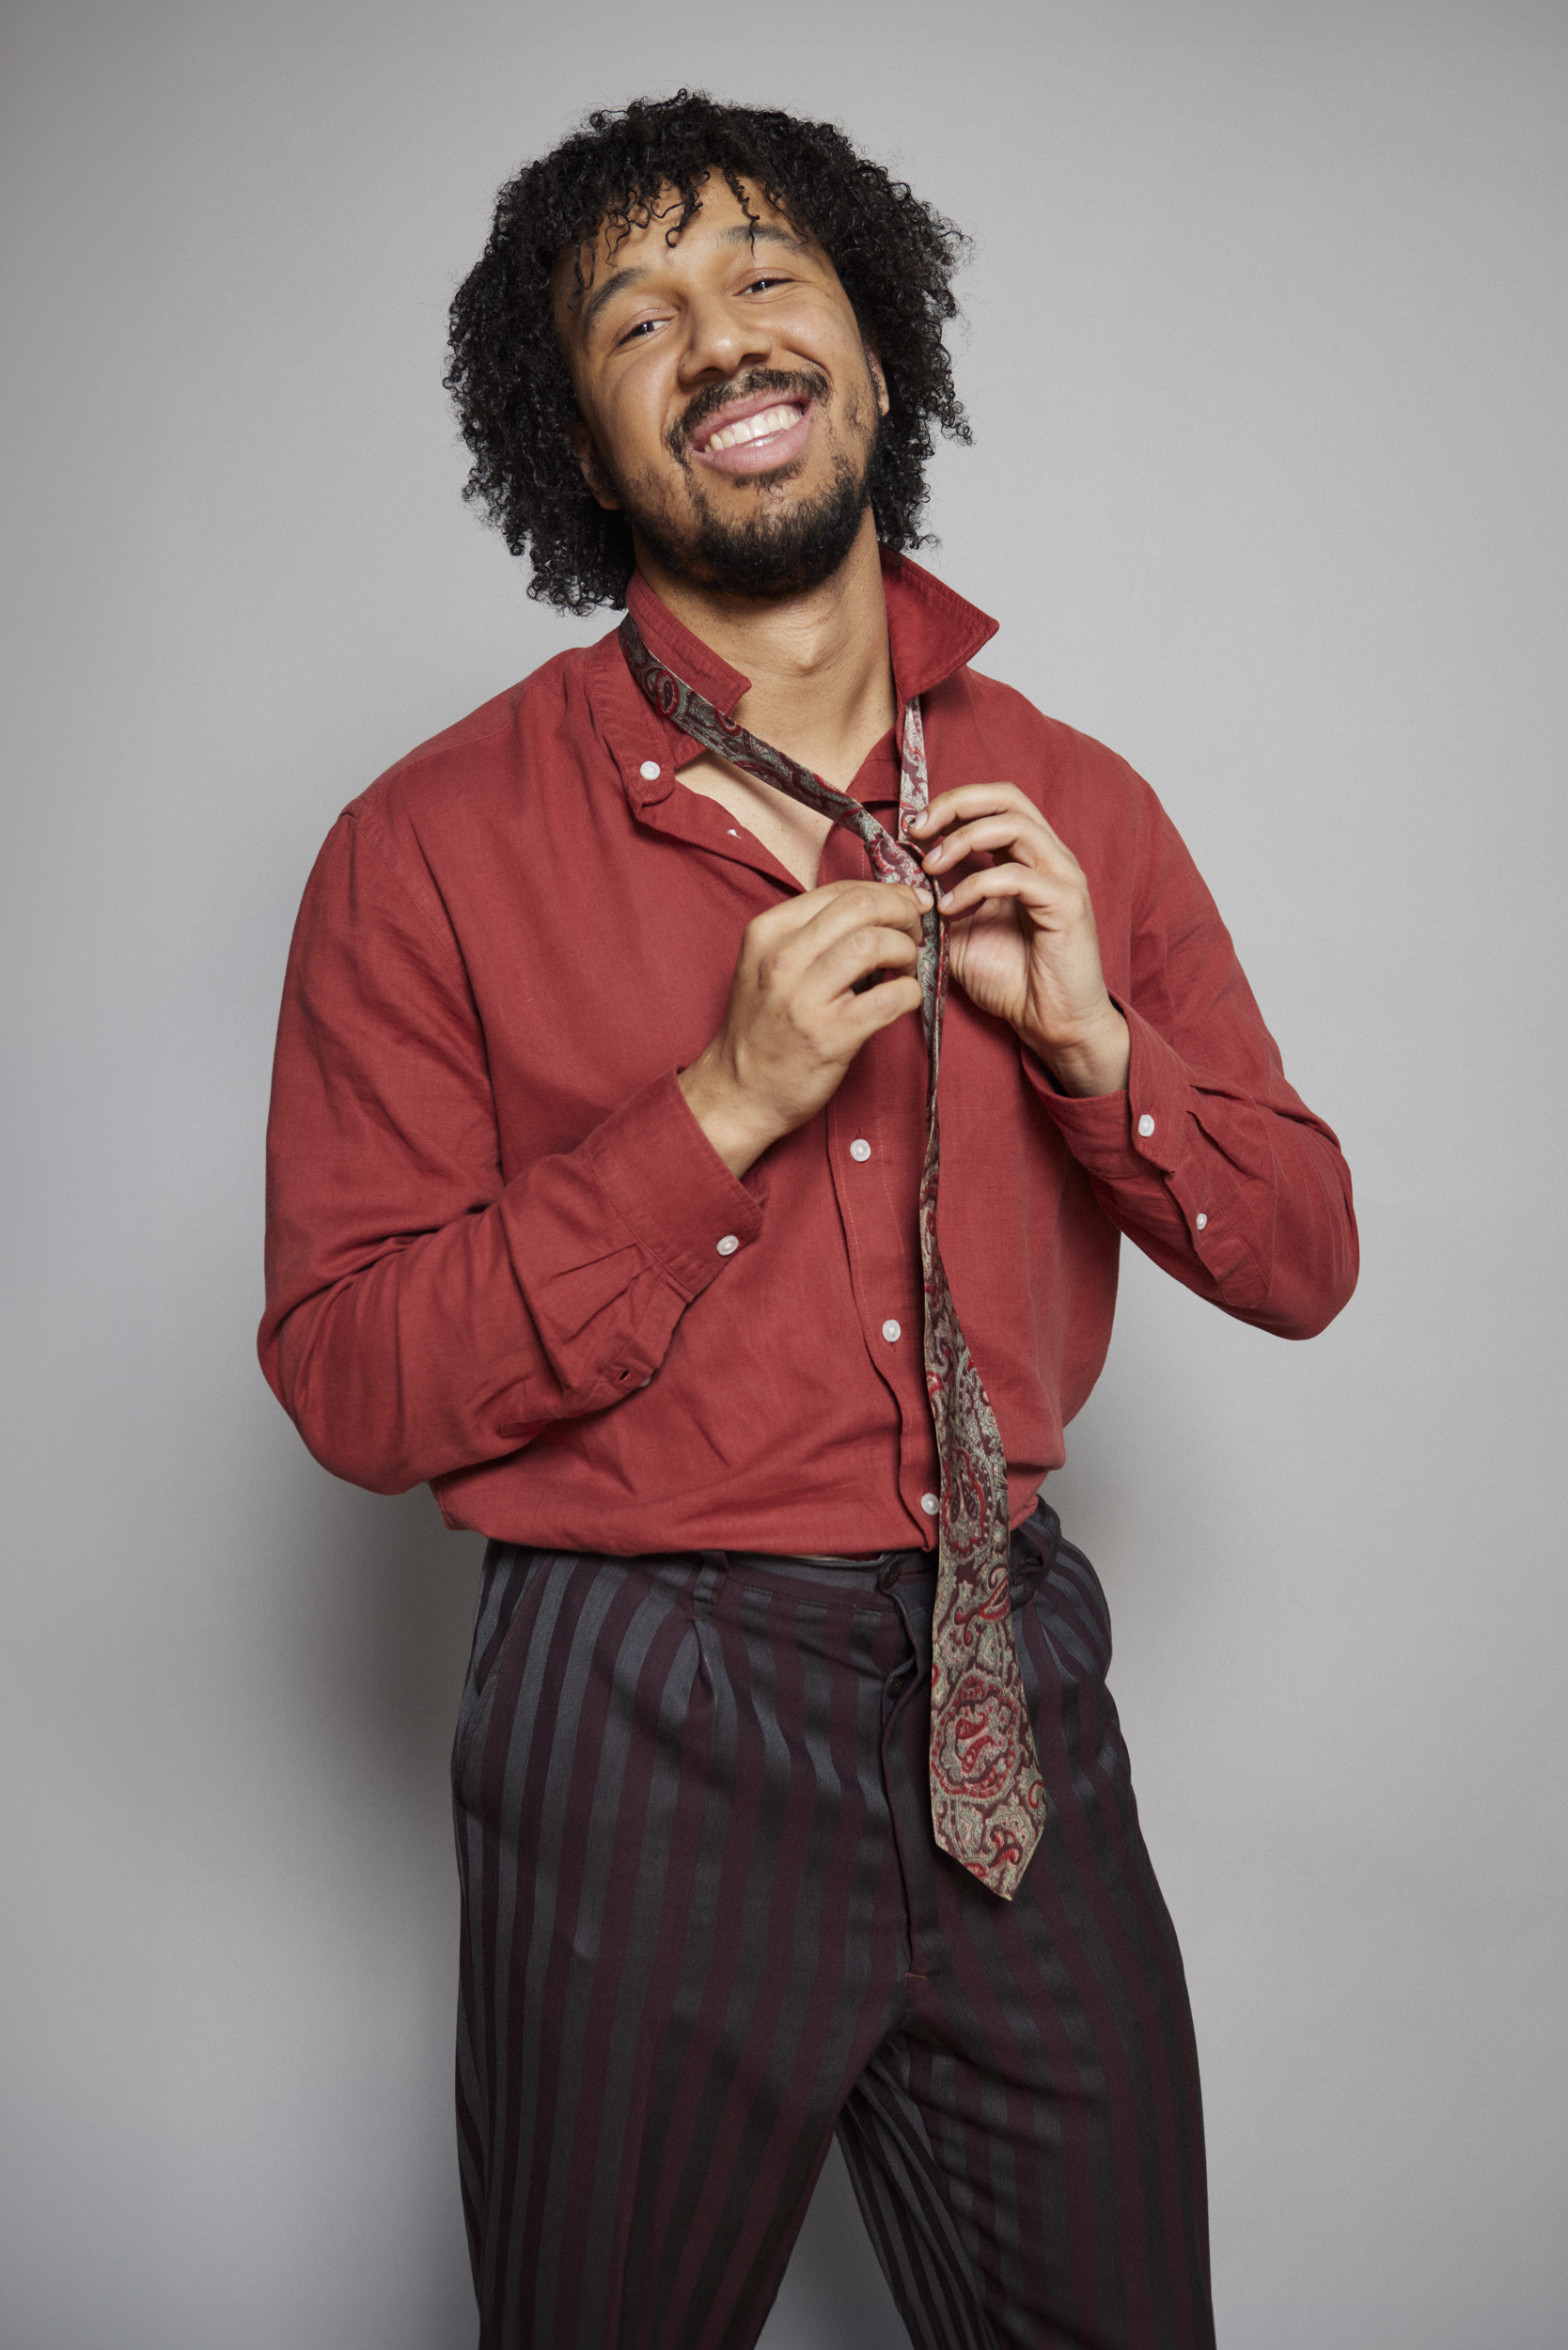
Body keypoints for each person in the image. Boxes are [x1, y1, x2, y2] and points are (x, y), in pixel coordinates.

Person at [260, 90, 1356, 2350]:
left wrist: (1100, 1051)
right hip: (634, 1704)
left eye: (768, 274)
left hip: (1008, 1679)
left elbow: (1303, 1254)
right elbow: (353, 1384)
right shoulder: (424, 845)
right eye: (635, 319)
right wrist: (714, 1111)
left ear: (873, 348)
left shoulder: (1079, 799)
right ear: (579, 441)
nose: (720, 336)